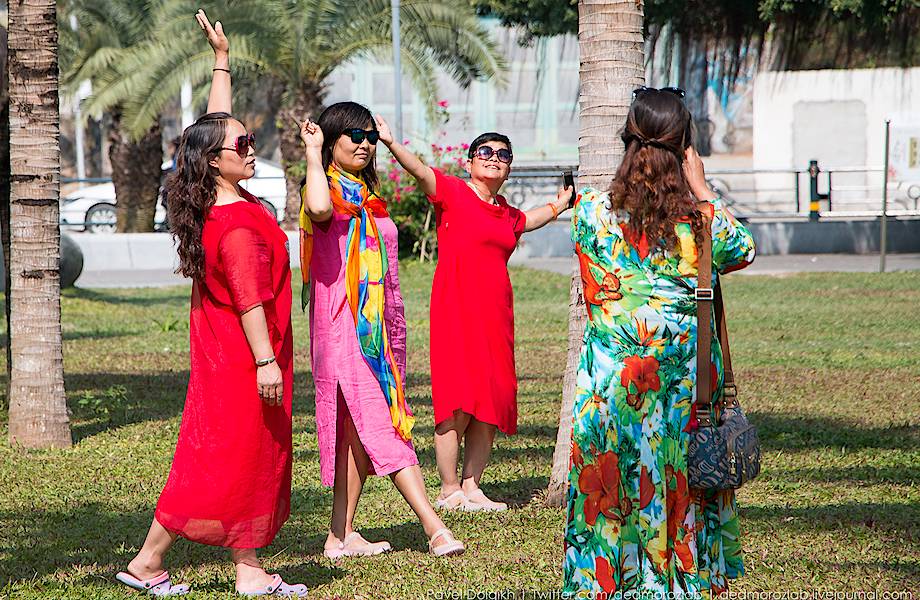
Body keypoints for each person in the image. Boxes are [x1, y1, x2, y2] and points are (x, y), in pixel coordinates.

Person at [115, 11, 306, 597]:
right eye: (241, 146)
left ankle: (248, 569)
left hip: (225, 355)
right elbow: (250, 300)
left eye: (249, 140)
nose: (251, 148)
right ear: (216, 162)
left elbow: (215, 129)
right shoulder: (238, 224)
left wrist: (221, 62)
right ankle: (148, 561)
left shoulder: (211, 203)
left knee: (241, 457)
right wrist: (266, 362)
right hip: (246, 358)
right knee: (221, 460)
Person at [563, 87, 756, 595]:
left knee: (612, 486)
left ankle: (610, 582)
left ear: (627, 139)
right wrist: (703, 188)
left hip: (609, 392)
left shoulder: (589, 213)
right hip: (679, 394)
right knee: (674, 483)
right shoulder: (700, 223)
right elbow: (744, 250)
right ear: (685, 147)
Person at [380, 121, 574, 511]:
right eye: (485, 152)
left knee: (491, 398)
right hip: (455, 310)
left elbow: (530, 220)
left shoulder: (506, 213)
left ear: (509, 168)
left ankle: (472, 487)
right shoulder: (453, 192)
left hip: (496, 315)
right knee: (456, 398)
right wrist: (390, 142)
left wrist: (561, 204)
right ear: (469, 163)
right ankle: (449, 489)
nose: (494, 158)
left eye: (503, 155)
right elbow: (419, 171)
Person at [298, 102, 464, 558]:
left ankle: (340, 535)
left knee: (356, 429)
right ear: (330, 139)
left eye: (370, 137)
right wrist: (312, 152)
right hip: (344, 327)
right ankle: (434, 526)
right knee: (383, 421)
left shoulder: (366, 194)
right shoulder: (324, 188)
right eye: (354, 135)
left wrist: (390, 141)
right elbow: (318, 209)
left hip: (379, 328)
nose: (365, 144)